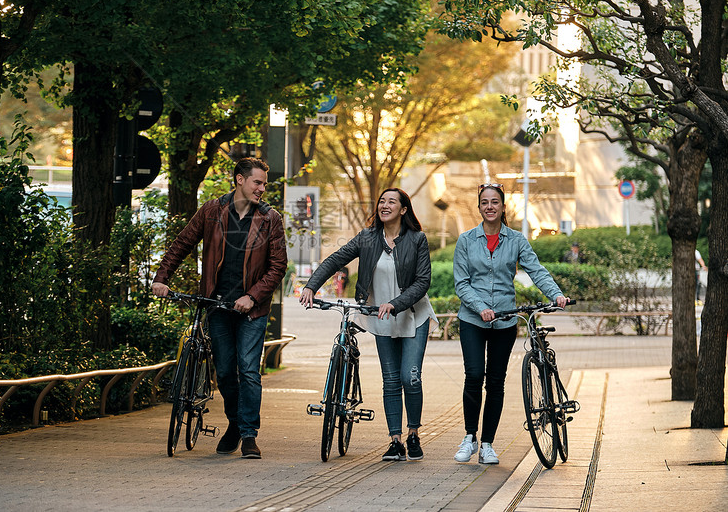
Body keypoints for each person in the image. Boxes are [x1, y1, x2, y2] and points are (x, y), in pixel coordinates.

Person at [152, 158, 287, 459]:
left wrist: (252, 296)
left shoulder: (270, 219)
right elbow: (182, 244)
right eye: (257, 182)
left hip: (252, 310)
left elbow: (278, 266)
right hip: (217, 305)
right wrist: (161, 278)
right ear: (240, 180)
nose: (262, 189)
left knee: (249, 369)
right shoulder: (211, 212)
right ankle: (235, 424)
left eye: (264, 184)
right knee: (225, 371)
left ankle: (249, 435)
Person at [299, 188, 438, 462]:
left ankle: (413, 433)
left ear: (403, 209)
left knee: (410, 378)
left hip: (412, 314)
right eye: (381, 201)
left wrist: (396, 303)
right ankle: (395, 441)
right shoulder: (367, 238)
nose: (384, 205)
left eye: (391, 202)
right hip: (380, 315)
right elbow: (336, 259)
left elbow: (423, 282)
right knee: (390, 381)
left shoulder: (417, 239)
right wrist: (311, 286)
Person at [452, 183, 569, 465]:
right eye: (484, 202)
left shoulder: (516, 240)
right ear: (479, 207)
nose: (489, 206)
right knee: (474, 375)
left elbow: (536, 269)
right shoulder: (466, 240)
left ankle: (488, 444)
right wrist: (480, 308)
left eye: (495, 202)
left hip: (504, 321)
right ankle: (470, 436)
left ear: (503, 207)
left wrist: (555, 293)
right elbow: (461, 283)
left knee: (496, 382)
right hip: (472, 319)